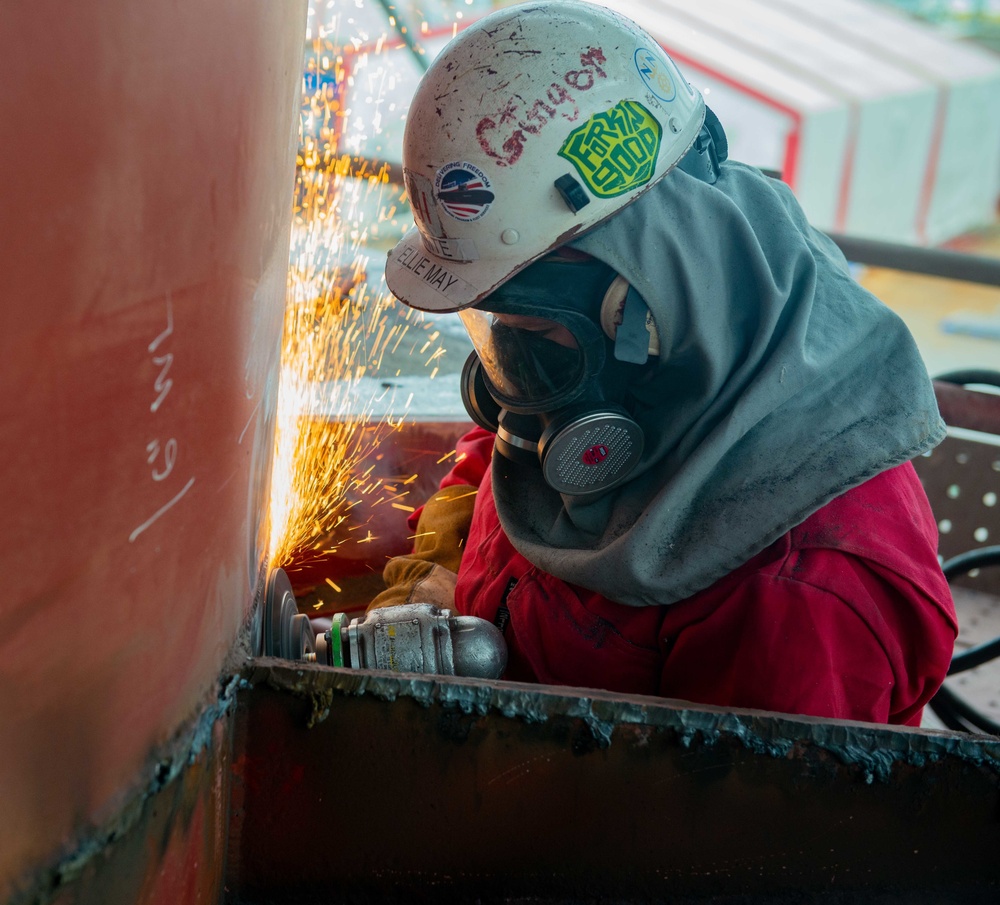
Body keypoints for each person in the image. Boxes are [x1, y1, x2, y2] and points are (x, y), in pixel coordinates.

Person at [374, 0, 958, 725]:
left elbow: (698, 835)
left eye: (534, 334)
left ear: (640, 300)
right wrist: (426, 591)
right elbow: (502, 449)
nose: (513, 384)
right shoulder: (604, 369)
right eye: (498, 330)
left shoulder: (799, 599)